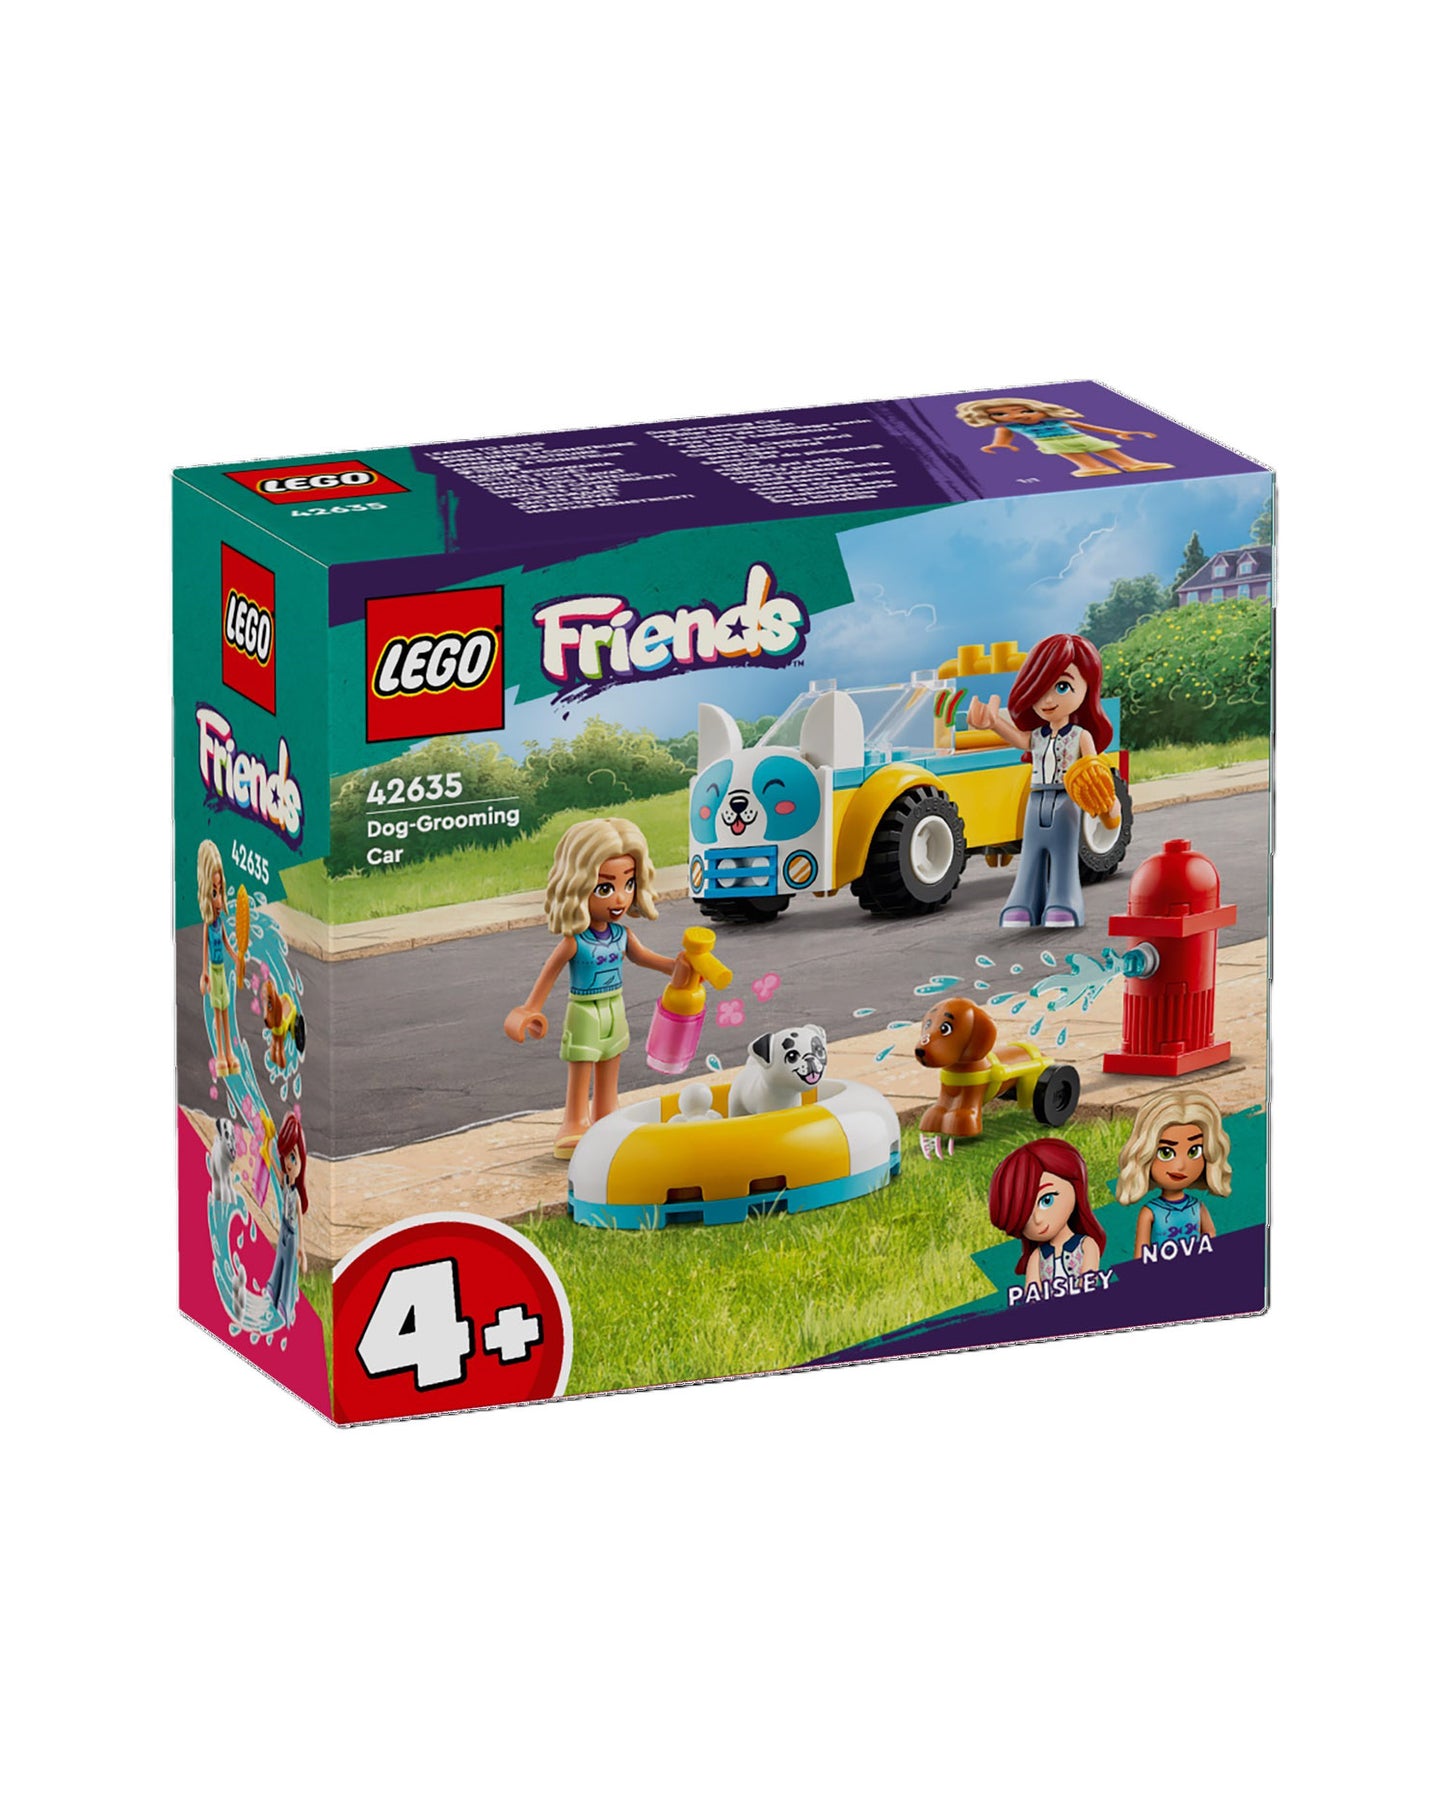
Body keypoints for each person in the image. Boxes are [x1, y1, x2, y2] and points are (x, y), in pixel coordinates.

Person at [505, 818, 694, 1159]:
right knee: (582, 1064)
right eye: (605, 888)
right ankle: (574, 1122)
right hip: (584, 1010)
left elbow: (645, 958)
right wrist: (530, 1009)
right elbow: (549, 973)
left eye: (629, 883)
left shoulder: (622, 935)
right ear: (577, 885)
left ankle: (607, 1116)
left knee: (610, 1061)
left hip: (614, 1007)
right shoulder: (574, 941)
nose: (620, 898)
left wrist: (677, 968)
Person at [966, 632, 1121, 928]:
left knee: (1063, 854)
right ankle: (1023, 902)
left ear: (1086, 688)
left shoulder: (1081, 736)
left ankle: (1064, 902)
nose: (1048, 700)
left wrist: (1108, 803)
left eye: (1062, 686)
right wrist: (994, 722)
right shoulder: (1038, 736)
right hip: (1036, 798)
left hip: (1066, 799)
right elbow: (1020, 739)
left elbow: (1094, 769)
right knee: (1031, 853)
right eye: (1039, 690)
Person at [1116, 1089, 1232, 1257]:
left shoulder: (1197, 1207)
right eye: (1166, 1153)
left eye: (1194, 1151)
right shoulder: (1150, 1212)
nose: (1181, 1165)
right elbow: (1141, 1252)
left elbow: (1210, 1234)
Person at [987, 1138, 1106, 1289]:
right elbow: (1032, 1294)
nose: (1037, 1219)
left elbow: (1089, 1287)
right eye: (1025, 1214)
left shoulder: (1086, 1246)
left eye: (1047, 1200)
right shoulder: (1037, 1257)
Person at [955, 397, 1174, 479]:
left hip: (1078, 436)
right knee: (1075, 455)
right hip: (1052, 443)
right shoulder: (1011, 427)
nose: (1018, 416)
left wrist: (1117, 432)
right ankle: (1093, 467)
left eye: (1025, 411)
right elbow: (1003, 436)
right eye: (1001, 414)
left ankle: (1132, 463)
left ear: (1041, 410)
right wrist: (1000, 445)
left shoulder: (1058, 421)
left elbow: (1088, 427)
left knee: (1105, 448)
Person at [197, 840, 239, 1075]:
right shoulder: (208, 925)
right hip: (213, 971)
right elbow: (205, 949)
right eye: (215, 893)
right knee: (217, 1008)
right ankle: (220, 1053)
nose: (219, 900)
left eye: (220, 891)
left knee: (226, 1008)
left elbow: (226, 943)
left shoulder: (220, 923)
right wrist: (204, 973)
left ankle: (229, 1052)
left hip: (222, 970)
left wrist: (236, 956)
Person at [265, 1110, 309, 1325]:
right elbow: (274, 1166)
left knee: (289, 1266)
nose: (289, 1163)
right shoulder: (285, 1183)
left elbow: (300, 1220)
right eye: (286, 1157)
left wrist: (302, 1248)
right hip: (283, 1229)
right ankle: (273, 1291)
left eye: (293, 1157)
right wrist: (268, 1144)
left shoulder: (297, 1196)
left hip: (291, 1235)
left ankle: (285, 1303)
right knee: (279, 1262)